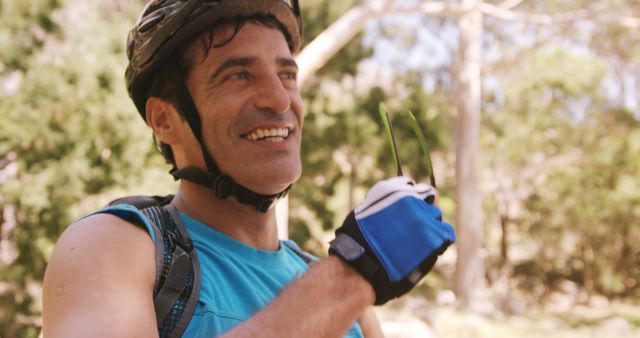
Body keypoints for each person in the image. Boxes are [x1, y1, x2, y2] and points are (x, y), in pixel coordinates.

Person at [42, 1, 455, 337]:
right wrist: (354, 273)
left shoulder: (341, 297)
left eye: (287, 75)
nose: (279, 100)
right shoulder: (113, 247)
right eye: (239, 75)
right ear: (165, 120)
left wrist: (350, 278)